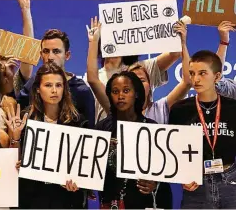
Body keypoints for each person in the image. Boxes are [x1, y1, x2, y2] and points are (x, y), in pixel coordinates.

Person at [86, 17, 192, 124]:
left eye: (140, 80)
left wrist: (165, 10)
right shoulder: (114, 112)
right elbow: (93, 79)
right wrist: (93, 41)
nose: (121, 95)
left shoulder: (142, 69)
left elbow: (185, 77)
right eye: (115, 91)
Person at [169, 50, 236, 208]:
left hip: (230, 181)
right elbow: (174, 149)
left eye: (202, 73)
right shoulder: (180, 109)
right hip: (196, 184)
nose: (196, 79)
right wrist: (183, 175)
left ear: (217, 76)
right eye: (192, 73)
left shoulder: (232, 107)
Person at [96, 71, 172, 209]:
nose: (120, 96)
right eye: (115, 91)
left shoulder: (151, 127)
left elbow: (164, 171)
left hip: (143, 202)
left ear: (136, 93)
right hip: (111, 203)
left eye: (126, 90)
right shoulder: (101, 128)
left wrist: (155, 183)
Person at [16, 63, 86, 209]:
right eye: (48, 85)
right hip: (32, 200)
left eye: (59, 85)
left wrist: (78, 182)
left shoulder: (78, 122)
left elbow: (83, 168)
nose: (54, 90)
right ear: (37, 89)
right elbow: (17, 161)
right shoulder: (25, 120)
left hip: (65, 200)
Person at [16, 29, 96, 128]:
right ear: (41, 55)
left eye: (56, 51)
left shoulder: (82, 91)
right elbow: (17, 111)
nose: (50, 57)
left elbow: (90, 132)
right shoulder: (32, 84)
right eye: (46, 51)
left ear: (67, 55)